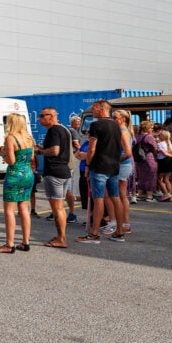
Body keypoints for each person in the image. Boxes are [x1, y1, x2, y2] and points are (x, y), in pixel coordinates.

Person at [78, 100, 124, 244]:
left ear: (101, 109)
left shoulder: (96, 125)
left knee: (98, 199)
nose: (92, 110)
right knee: (115, 198)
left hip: (99, 167)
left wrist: (87, 165)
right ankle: (119, 232)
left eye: (94, 108)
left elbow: (92, 148)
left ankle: (94, 234)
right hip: (113, 166)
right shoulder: (116, 125)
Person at [0, 113, 35, 253]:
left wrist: (2, 153)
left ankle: (9, 244)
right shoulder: (29, 137)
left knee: (9, 210)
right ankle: (26, 242)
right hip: (28, 174)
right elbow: (32, 157)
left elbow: (11, 161)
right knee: (24, 208)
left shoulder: (10, 138)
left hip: (15, 175)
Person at [37, 107, 75, 248]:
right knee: (60, 207)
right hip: (63, 171)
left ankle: (61, 239)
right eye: (40, 115)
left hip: (54, 172)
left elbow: (54, 151)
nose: (40, 118)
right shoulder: (63, 129)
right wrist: (42, 148)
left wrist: (39, 151)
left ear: (52, 116)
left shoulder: (54, 130)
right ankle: (61, 236)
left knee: (57, 208)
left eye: (43, 115)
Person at [110, 110, 135, 236]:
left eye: (115, 117)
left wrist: (114, 161)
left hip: (121, 166)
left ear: (123, 119)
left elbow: (127, 153)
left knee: (118, 196)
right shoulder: (125, 130)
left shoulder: (123, 131)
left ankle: (121, 223)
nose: (112, 119)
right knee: (121, 195)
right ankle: (124, 224)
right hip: (123, 165)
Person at [132, 121, 159, 202]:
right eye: (151, 128)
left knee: (141, 176)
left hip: (139, 159)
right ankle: (149, 196)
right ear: (147, 128)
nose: (152, 129)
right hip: (149, 158)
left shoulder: (136, 136)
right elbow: (155, 149)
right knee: (151, 177)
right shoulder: (149, 137)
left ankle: (140, 194)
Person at [155, 130, 172, 202]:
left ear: (162, 136)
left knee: (159, 179)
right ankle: (170, 194)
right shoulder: (171, 145)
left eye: (159, 135)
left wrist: (170, 155)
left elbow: (164, 153)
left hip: (163, 162)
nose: (158, 136)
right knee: (167, 179)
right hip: (170, 161)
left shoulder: (159, 144)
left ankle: (165, 194)